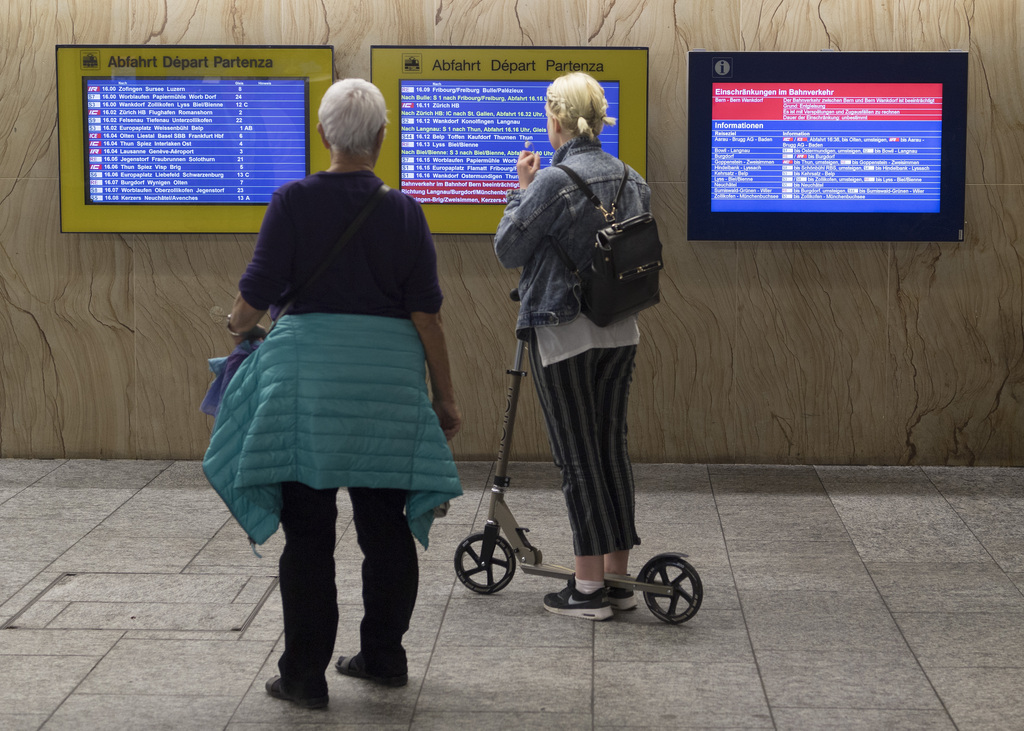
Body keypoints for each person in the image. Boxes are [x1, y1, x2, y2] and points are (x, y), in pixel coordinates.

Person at [203, 78, 462, 708]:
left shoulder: (291, 201)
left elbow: (253, 299)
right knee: (386, 528)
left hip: (305, 389)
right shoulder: (404, 211)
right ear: (380, 137)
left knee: (310, 534)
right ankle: (383, 657)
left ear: (324, 136)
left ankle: (304, 677)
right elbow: (426, 315)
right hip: (385, 385)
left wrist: (238, 325)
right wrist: (445, 398)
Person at [493, 72, 650, 621]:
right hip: (621, 329)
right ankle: (617, 578)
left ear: (555, 121)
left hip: (563, 332)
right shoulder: (633, 178)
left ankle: (585, 592)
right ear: (600, 118)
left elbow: (508, 248)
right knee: (610, 449)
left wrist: (521, 186)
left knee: (577, 458)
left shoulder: (553, 182)